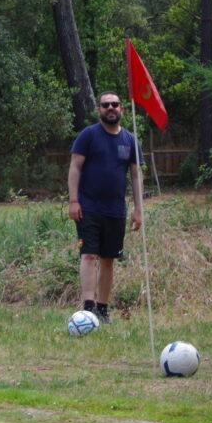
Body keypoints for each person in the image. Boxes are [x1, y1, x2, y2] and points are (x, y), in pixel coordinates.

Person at [68, 91, 143, 324]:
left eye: (114, 104)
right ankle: (88, 310)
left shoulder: (130, 140)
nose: (110, 108)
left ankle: (102, 309)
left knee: (108, 259)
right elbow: (75, 168)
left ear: (121, 109)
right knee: (89, 255)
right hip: (88, 207)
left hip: (116, 211)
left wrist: (138, 209)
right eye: (105, 105)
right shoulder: (88, 135)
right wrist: (73, 201)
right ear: (99, 110)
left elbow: (136, 176)